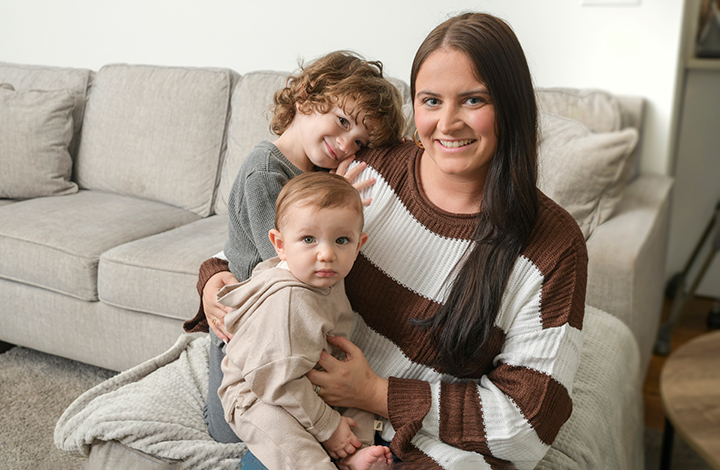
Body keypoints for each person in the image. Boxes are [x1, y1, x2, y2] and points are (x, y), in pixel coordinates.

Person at [194, 12, 588, 469]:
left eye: (474, 100)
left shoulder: (553, 248)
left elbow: (526, 426)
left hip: (423, 445)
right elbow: (288, 246)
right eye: (431, 100)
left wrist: (376, 393)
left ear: (511, 106)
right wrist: (212, 276)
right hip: (316, 417)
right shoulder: (369, 168)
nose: (448, 122)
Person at [183, 50, 406, 444]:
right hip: (251, 326)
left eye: (358, 142)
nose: (344, 145)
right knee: (230, 432)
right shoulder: (265, 171)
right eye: (341, 122)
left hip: (290, 321)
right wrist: (338, 201)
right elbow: (284, 264)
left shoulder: (319, 170)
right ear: (305, 98)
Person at [217, 172, 392, 470]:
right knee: (293, 446)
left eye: (341, 240)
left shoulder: (324, 278)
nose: (326, 254)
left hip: (301, 373)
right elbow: (275, 382)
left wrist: (337, 423)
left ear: (359, 244)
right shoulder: (287, 301)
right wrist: (328, 426)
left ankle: (353, 454)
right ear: (280, 244)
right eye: (308, 239)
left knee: (355, 401)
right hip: (257, 390)